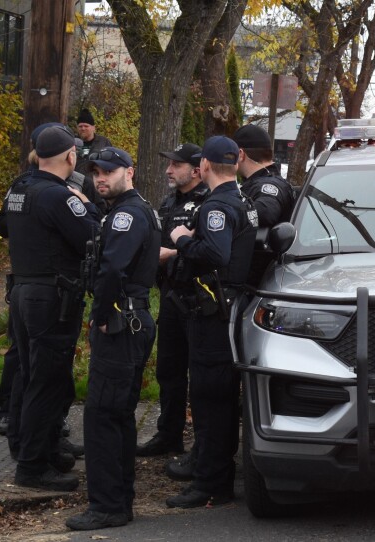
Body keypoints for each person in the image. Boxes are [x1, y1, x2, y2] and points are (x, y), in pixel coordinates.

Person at [0, 126, 101, 491]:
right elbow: (92, 238)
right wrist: (90, 207)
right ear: (71, 156)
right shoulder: (60, 196)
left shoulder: (20, 189)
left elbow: (2, 228)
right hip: (51, 297)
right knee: (49, 380)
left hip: (23, 292)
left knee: (29, 374)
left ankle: (34, 448)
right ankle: (33, 466)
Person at [65, 147, 160, 531]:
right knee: (118, 414)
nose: (101, 178)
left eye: (109, 171)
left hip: (121, 322)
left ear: (129, 172)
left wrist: (100, 316)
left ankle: (108, 506)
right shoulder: (135, 209)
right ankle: (119, 499)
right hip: (132, 319)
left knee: (103, 416)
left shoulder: (126, 215)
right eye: (96, 172)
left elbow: (111, 271)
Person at [164, 136, 257, 509]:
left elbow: (216, 253)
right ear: (236, 163)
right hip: (230, 309)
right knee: (219, 397)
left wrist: (182, 240)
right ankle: (215, 477)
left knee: (209, 398)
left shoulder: (216, 206)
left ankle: (210, 483)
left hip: (213, 313)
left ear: (203, 166)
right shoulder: (243, 200)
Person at [136, 143, 210, 458]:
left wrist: (173, 253)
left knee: (202, 375)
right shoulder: (168, 203)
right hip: (169, 294)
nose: (169, 170)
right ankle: (169, 434)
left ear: (196, 170)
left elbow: (212, 249)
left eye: (176, 165)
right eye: (169, 164)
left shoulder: (208, 203)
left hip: (198, 298)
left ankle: (203, 447)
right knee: (168, 369)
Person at [232, 124, 295, 286]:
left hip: (261, 280)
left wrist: (226, 211)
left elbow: (266, 211)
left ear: (240, 154)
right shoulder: (255, 183)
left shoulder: (269, 185)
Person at [74, 108, 110, 212]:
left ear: (93, 127)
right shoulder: (72, 143)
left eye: (86, 126)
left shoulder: (103, 142)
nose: (83, 128)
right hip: (77, 187)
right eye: (80, 126)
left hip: (98, 189)